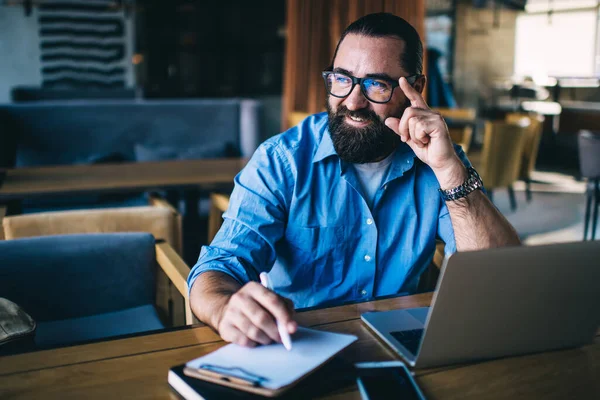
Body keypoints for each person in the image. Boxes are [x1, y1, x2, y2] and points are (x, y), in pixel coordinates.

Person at [188, 13, 520, 348]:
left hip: (401, 344)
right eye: (342, 79)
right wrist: (224, 308)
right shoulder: (282, 160)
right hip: (300, 344)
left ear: (415, 89)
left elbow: (500, 279)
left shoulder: (440, 159)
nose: (352, 101)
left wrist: (449, 172)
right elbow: (218, 267)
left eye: (377, 84)